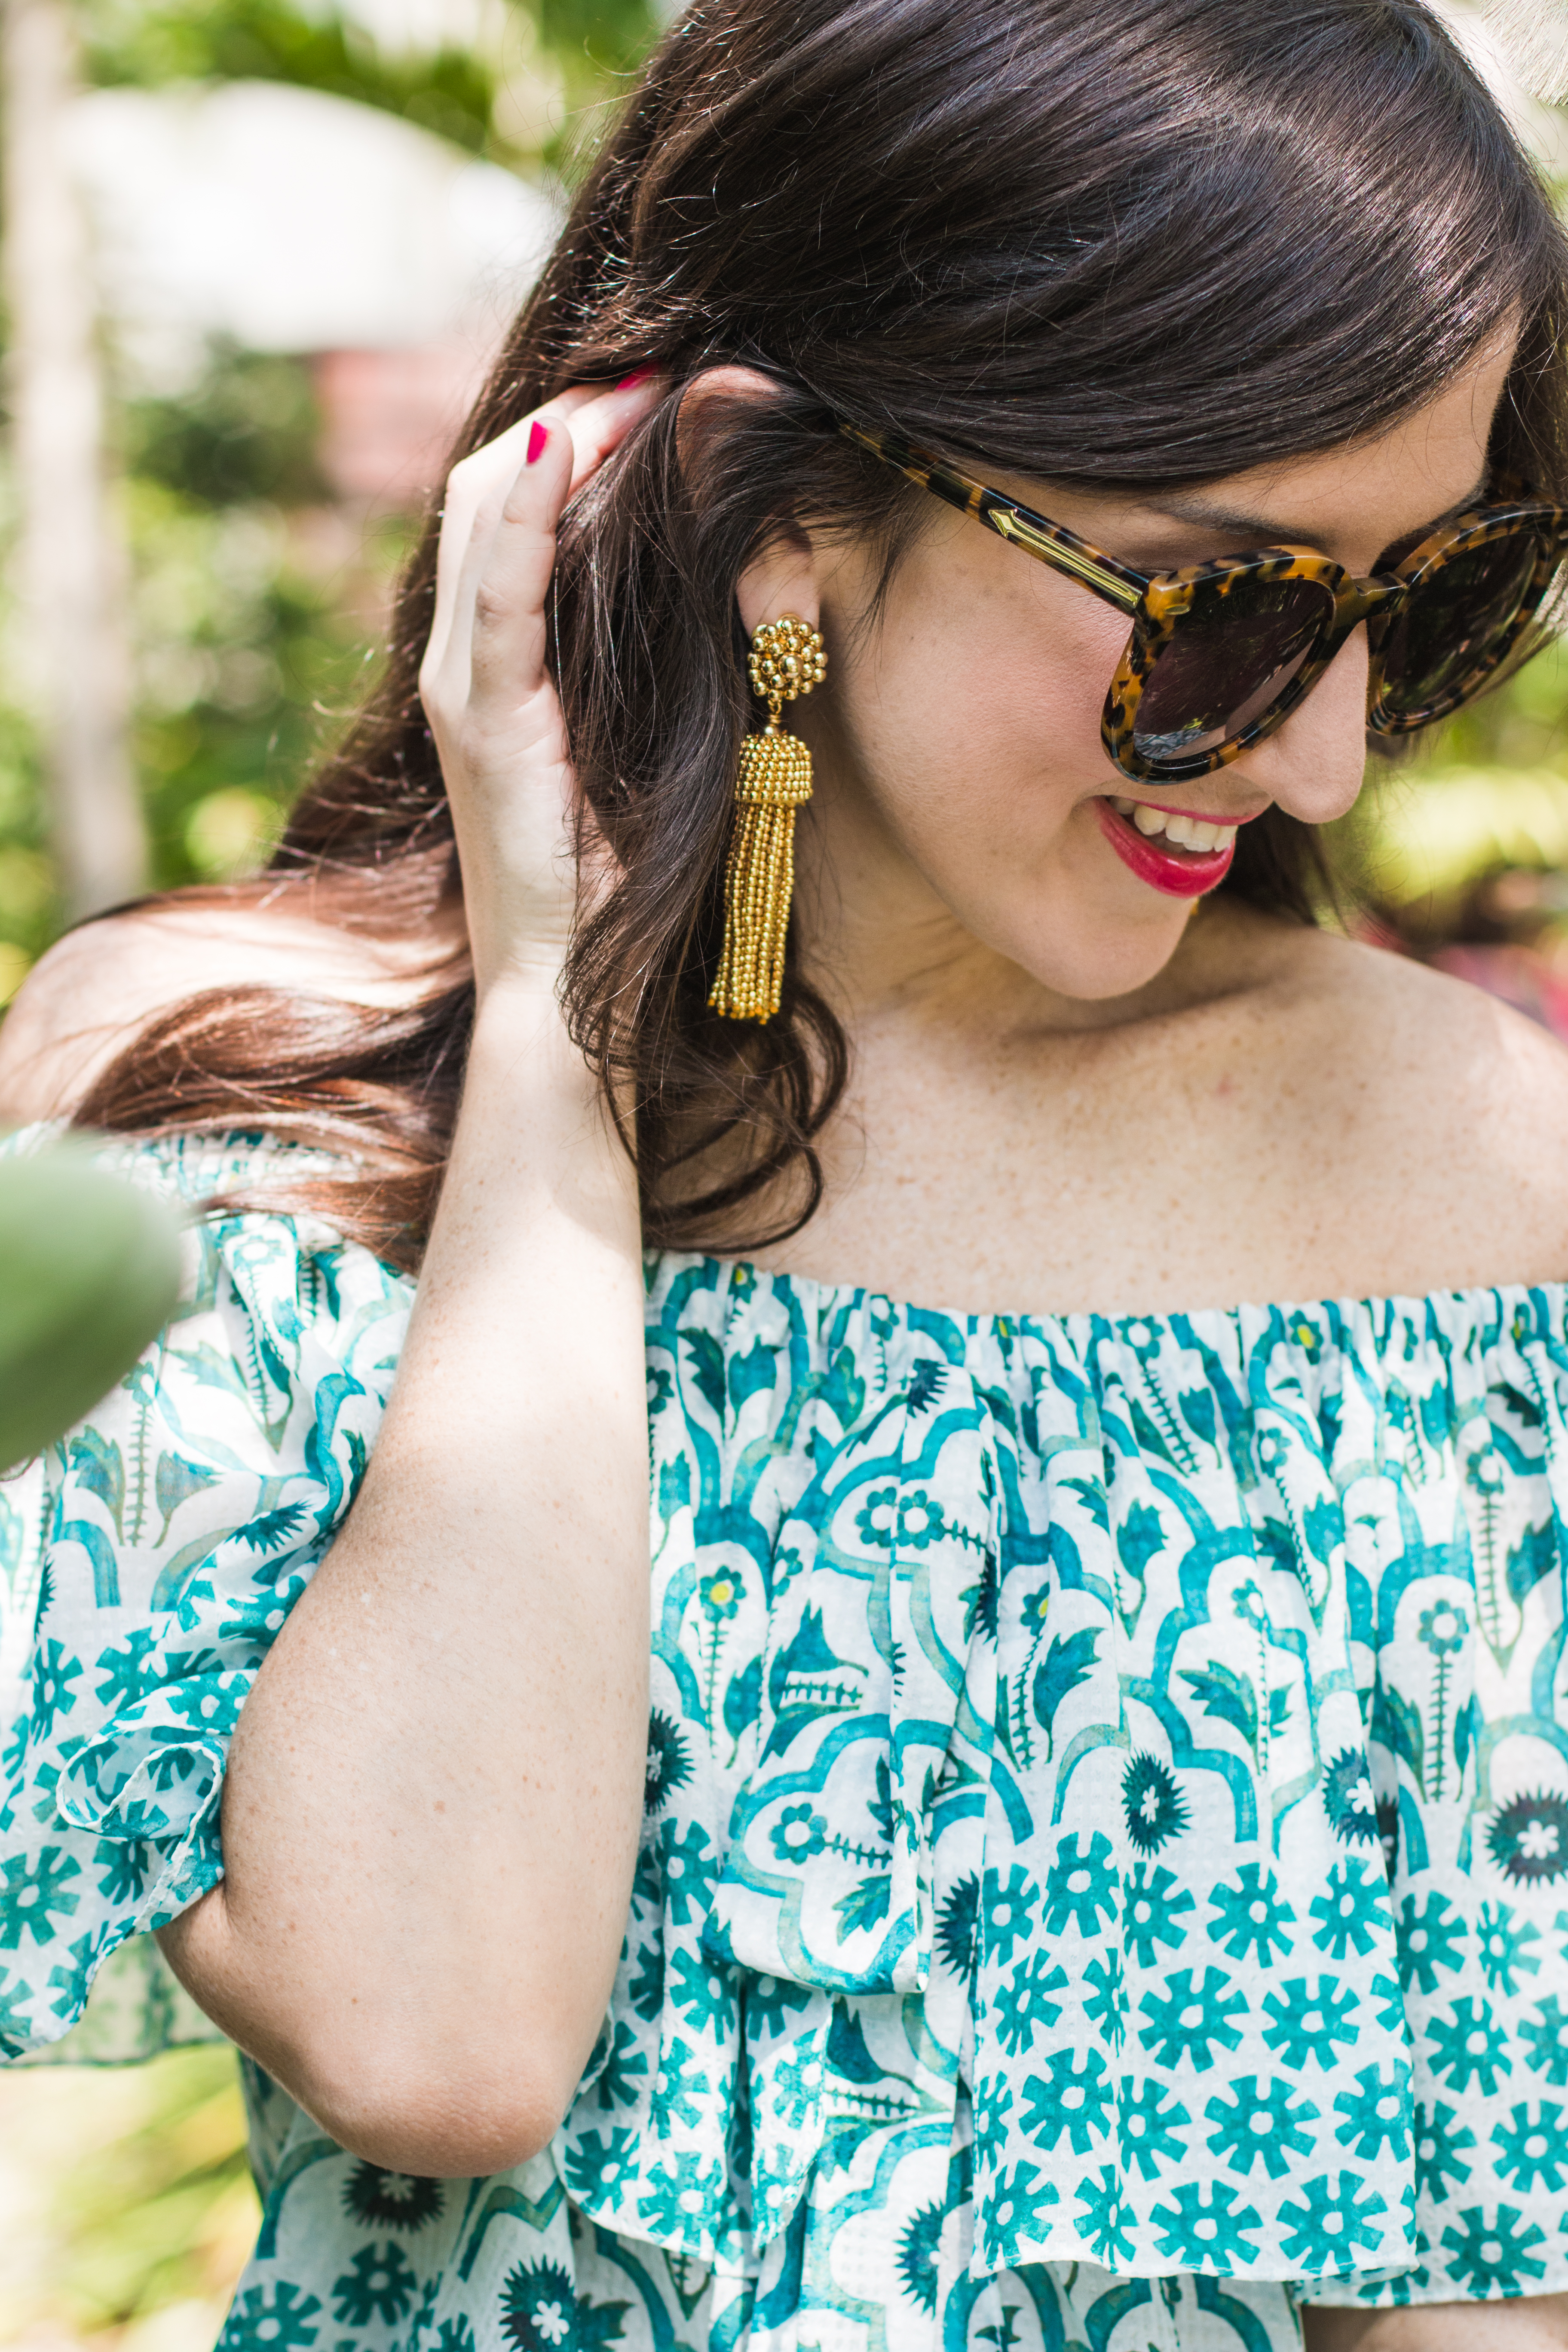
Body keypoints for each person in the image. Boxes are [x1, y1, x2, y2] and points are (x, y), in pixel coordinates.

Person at [3, 1, 1568, 2345]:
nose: (1329, 761)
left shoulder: (1447, 1167)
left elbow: (1463, 2289)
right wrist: (549, 1037)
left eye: (1410, 608)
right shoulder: (246, 1109)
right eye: (1230, 610)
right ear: (793, 521)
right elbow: (440, 2035)